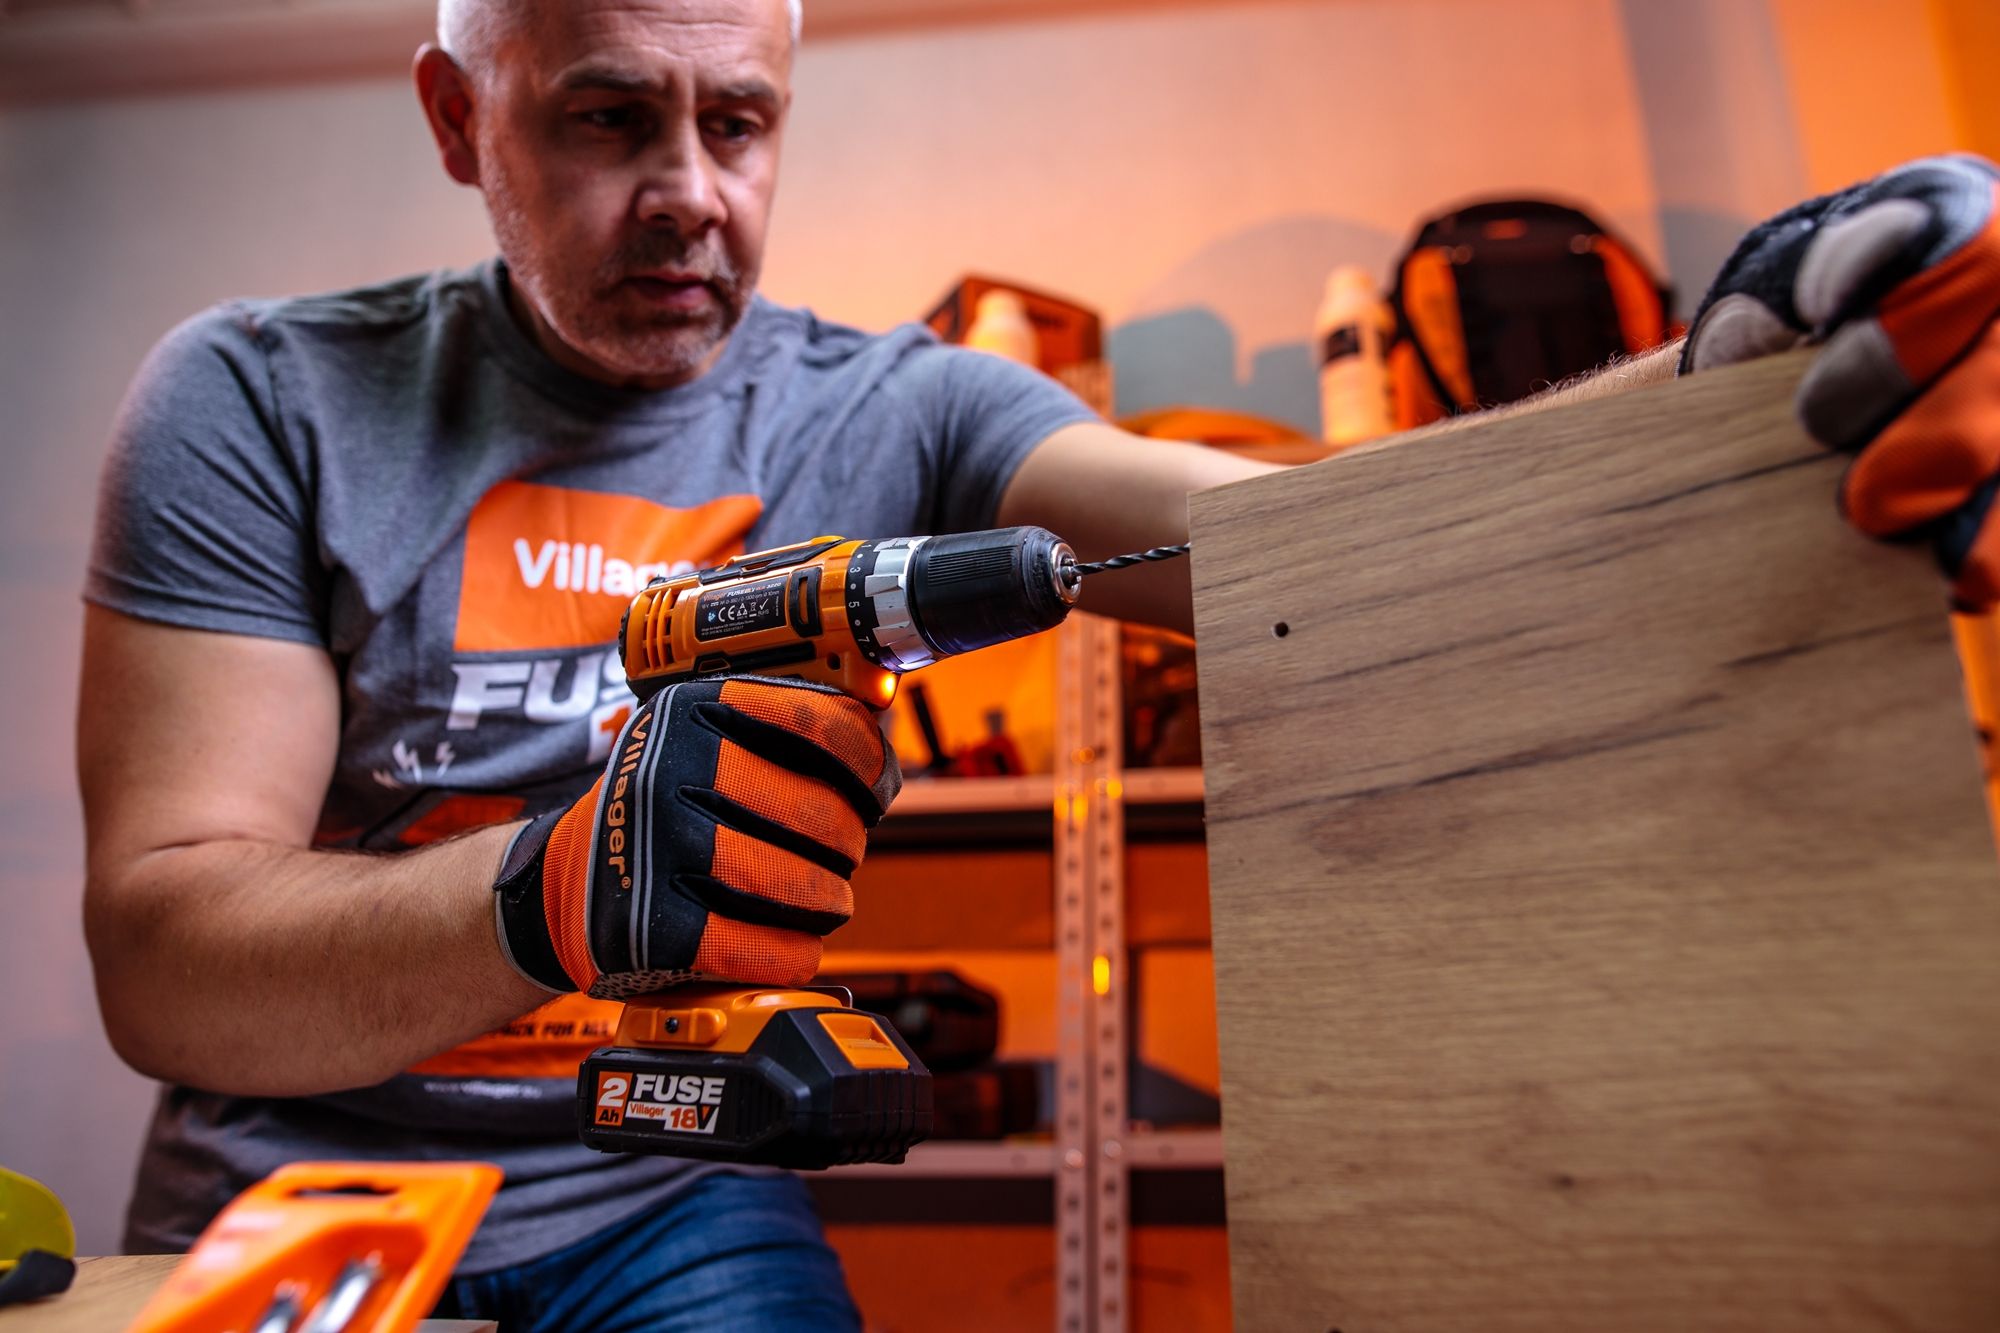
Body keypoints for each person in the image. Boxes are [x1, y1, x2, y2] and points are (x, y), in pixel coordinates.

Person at [74, 0, 2000, 1322]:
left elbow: (1307, 538)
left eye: (739, 121)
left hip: (665, 1195)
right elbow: (170, 961)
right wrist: (554, 888)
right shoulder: (262, 397)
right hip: (294, 1182)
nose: (691, 191)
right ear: (456, 117)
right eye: (605, 114)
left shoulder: (904, 407)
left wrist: (1720, 403)